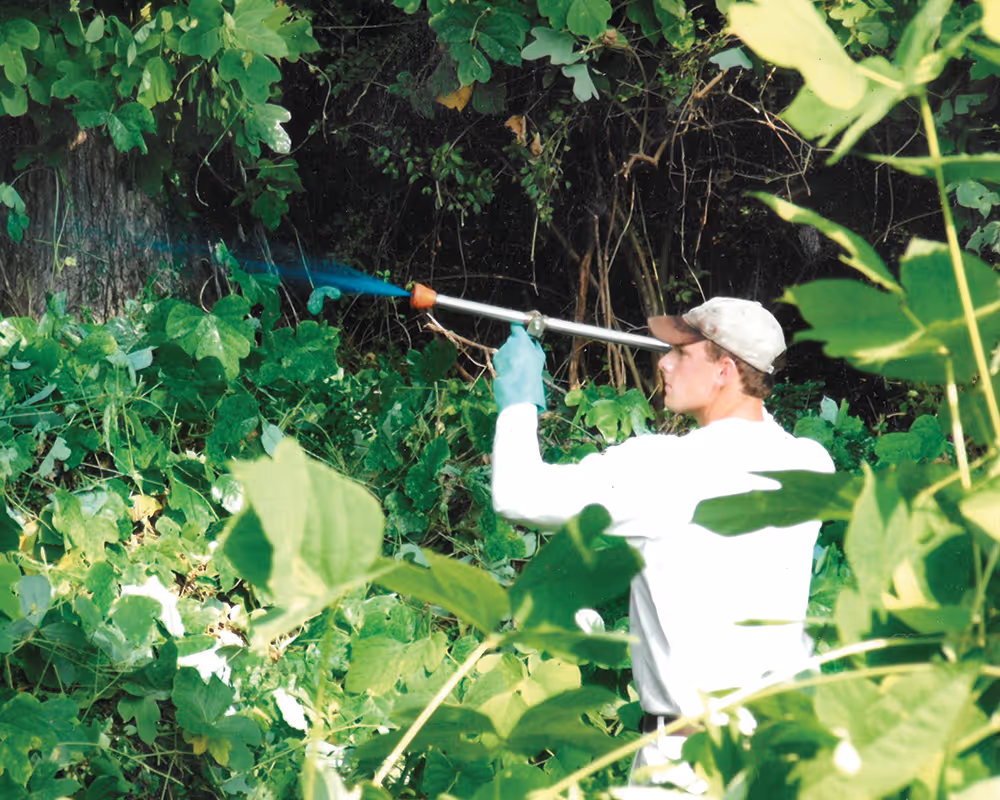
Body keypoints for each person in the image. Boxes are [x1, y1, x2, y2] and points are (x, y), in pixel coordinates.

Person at [490, 297, 834, 790]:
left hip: (686, 765)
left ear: (725, 370)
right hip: (781, 760)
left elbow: (518, 495)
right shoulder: (810, 463)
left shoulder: (663, 469)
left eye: (682, 353)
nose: (663, 363)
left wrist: (519, 403)